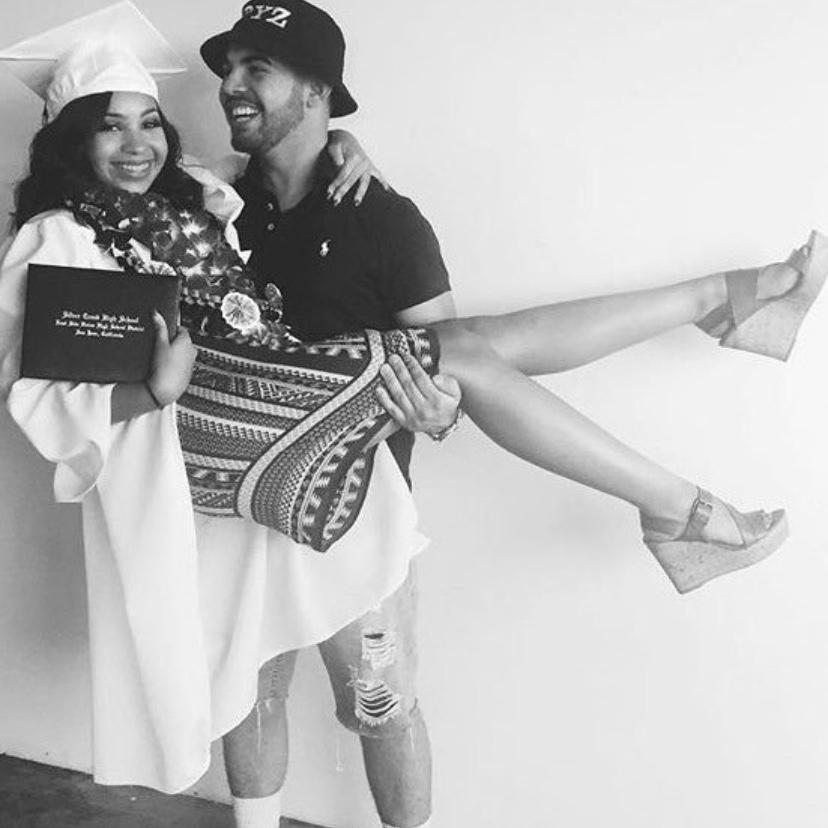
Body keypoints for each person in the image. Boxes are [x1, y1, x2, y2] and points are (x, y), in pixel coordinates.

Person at [0, 4, 823, 827]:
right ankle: (696, 415)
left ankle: (715, 325)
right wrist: (154, 392)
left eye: (257, 70)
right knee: (248, 688)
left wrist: (434, 406)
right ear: (72, 140)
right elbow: (43, 388)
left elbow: (450, 400)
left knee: (380, 698)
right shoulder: (118, 221)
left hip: (346, 489)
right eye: (110, 125)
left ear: (319, 91)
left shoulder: (275, 206)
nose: (227, 88)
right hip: (233, 450)